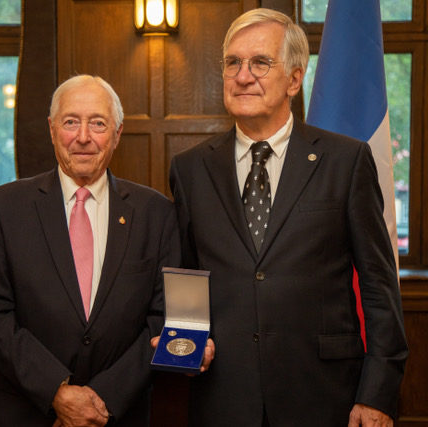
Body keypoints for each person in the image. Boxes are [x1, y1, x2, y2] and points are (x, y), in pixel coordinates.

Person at [168, 8, 408, 427]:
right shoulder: (190, 169)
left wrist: (378, 394)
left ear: (294, 80)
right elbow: (188, 275)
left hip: (323, 393)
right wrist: (186, 344)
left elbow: (378, 286)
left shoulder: (345, 161)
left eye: (260, 62)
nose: (243, 76)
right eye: (232, 63)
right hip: (224, 396)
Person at [0, 74, 180, 426]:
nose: (83, 137)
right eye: (71, 122)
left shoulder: (156, 213)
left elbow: (163, 319)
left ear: (117, 133)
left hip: (120, 413)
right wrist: (57, 390)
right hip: (25, 411)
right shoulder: (1, 209)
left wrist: (103, 399)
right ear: (52, 129)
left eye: (98, 123)